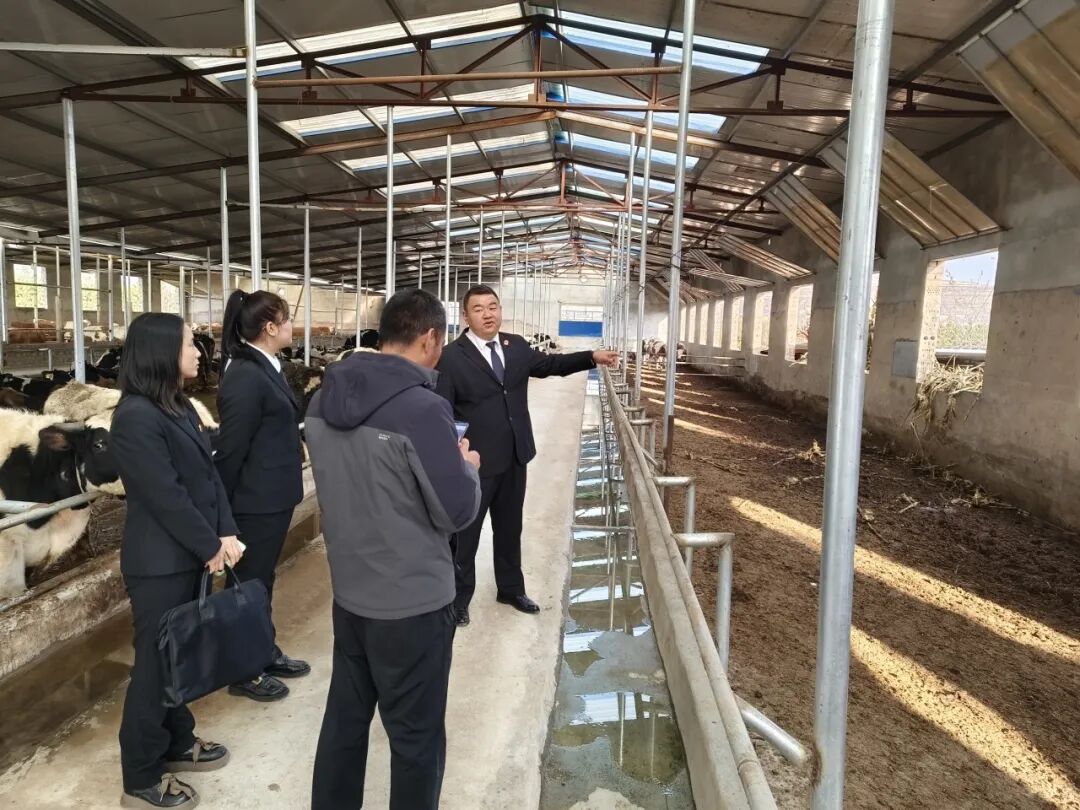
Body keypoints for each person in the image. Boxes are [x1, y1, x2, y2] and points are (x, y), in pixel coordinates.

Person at [306, 288, 481, 810]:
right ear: (430, 338)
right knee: (416, 737)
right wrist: (467, 468)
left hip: (351, 593)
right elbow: (455, 512)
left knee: (345, 721)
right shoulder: (422, 410)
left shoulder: (322, 400)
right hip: (413, 603)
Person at [110, 313, 244, 809]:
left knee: (176, 658)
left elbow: (208, 476)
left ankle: (177, 741)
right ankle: (141, 777)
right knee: (153, 668)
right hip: (159, 564)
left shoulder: (180, 406)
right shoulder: (134, 417)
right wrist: (209, 546)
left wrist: (225, 529)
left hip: (187, 554)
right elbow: (165, 496)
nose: (198, 352)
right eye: (190, 344)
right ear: (162, 351)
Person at [436, 284, 618, 626]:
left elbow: (551, 364)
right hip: (474, 462)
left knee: (509, 528)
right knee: (465, 535)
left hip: (514, 456)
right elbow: (443, 412)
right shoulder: (450, 357)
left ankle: (510, 589)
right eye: (478, 309)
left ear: (500, 310)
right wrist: (451, 458)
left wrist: (590, 357)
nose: (488, 314)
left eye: (493, 306)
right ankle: (458, 598)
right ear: (465, 316)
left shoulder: (516, 346)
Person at [214, 290, 309, 703]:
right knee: (247, 586)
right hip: (253, 502)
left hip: (271, 497)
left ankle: (263, 651)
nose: (291, 326)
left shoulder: (267, 366)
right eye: (286, 320)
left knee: (261, 580)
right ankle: (244, 671)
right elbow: (231, 450)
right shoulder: (245, 375)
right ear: (270, 327)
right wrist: (223, 515)